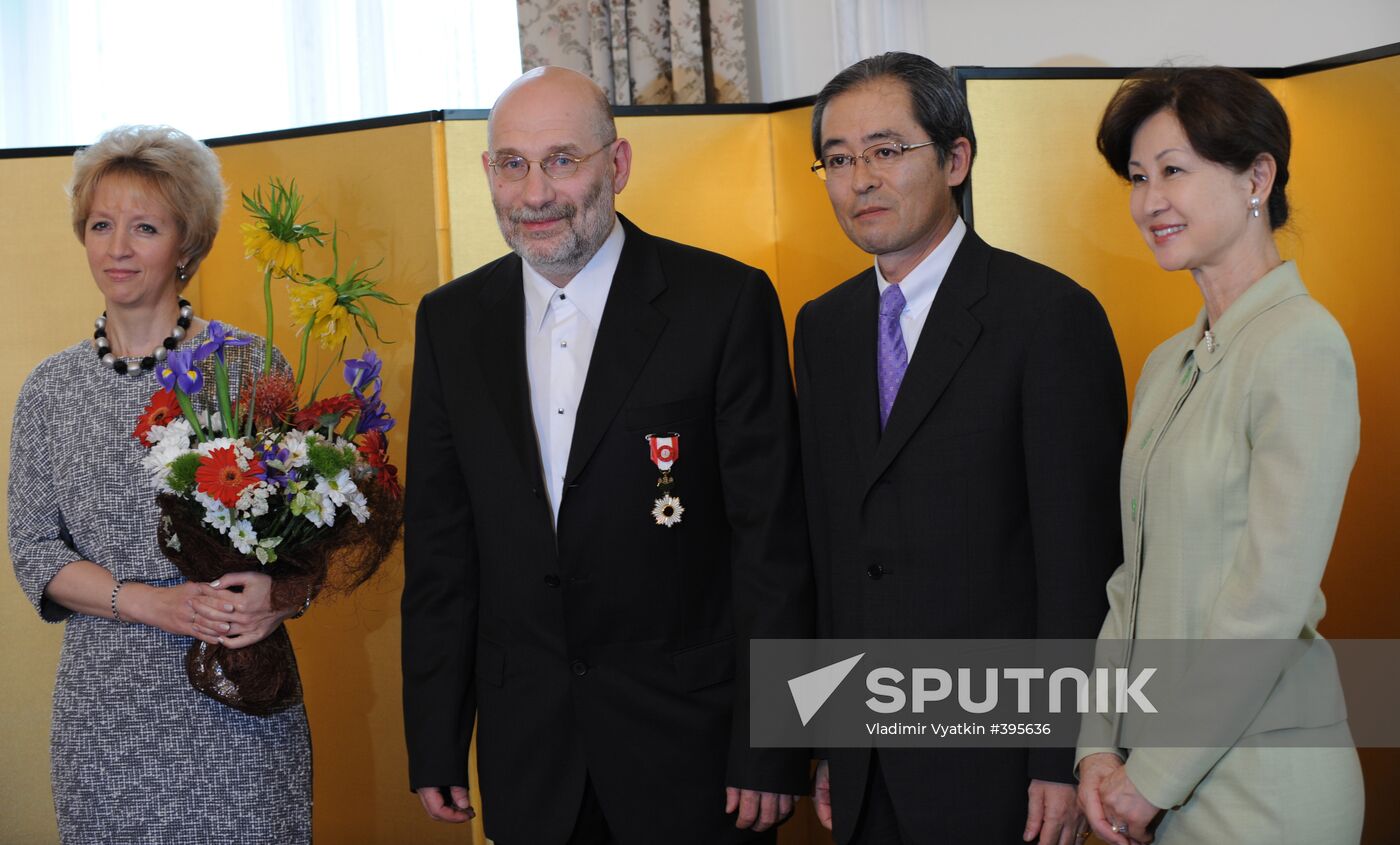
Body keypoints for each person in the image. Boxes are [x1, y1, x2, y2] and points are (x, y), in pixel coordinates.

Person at [400, 66, 813, 845]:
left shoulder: (722, 302)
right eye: (513, 164)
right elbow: (441, 551)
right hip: (530, 756)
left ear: (616, 165)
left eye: (562, 159)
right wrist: (436, 735)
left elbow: (772, 544)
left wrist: (774, 742)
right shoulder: (451, 322)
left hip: (695, 752)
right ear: (488, 172)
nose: (535, 193)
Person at [795, 52, 1127, 844]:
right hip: (865, 756)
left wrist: (1060, 751)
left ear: (956, 158)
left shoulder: (1048, 316)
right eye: (838, 160)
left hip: (1000, 760)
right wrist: (828, 737)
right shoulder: (823, 326)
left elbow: (1080, 561)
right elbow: (831, 551)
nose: (860, 179)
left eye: (885, 150)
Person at [1075, 67, 1364, 845]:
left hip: (1263, 787)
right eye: (1138, 177)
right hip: (1153, 779)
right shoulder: (1169, 362)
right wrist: (1099, 745)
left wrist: (1152, 777)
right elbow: (1130, 581)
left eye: (1175, 170)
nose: (1148, 201)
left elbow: (1268, 600)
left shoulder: (1302, 344)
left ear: (1256, 178)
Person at [7, 125, 309, 842]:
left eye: (144, 227)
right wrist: (149, 603)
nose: (117, 247)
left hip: (236, 699)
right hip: (104, 717)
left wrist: (281, 593)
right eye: (101, 225)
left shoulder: (246, 364)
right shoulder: (49, 389)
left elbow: (306, 536)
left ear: (187, 242)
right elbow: (32, 548)